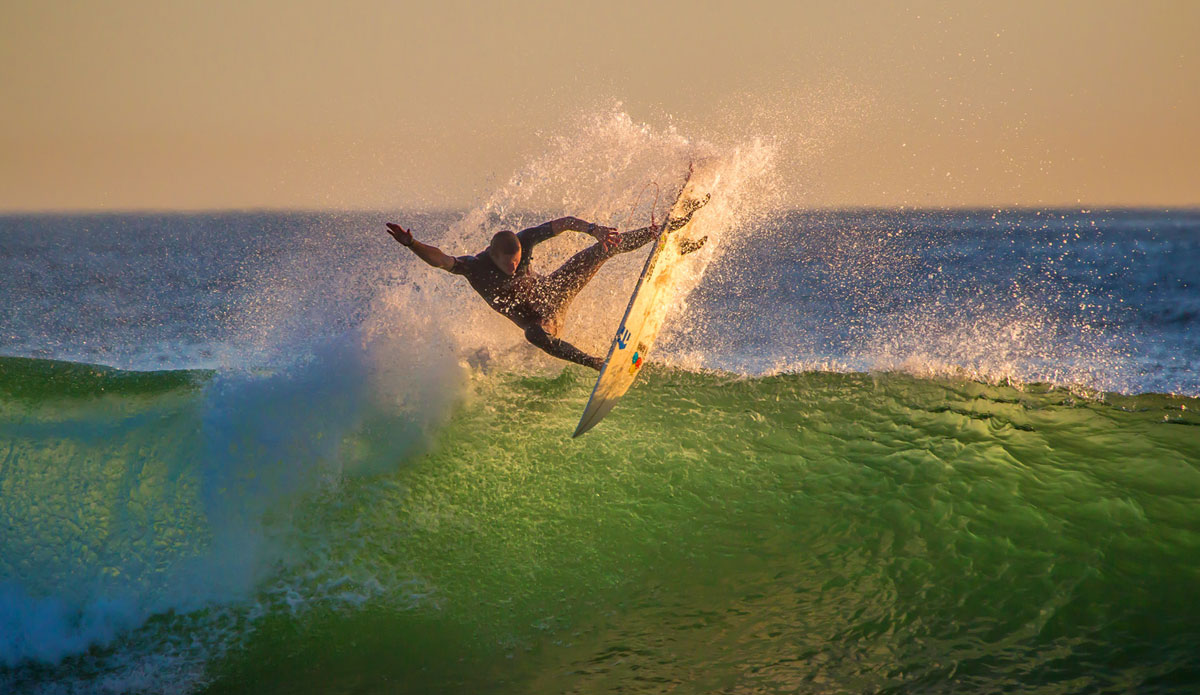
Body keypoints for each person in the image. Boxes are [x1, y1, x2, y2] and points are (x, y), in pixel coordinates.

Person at [384, 202, 707, 370]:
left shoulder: (525, 239)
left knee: (603, 248)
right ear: (493, 255)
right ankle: (595, 363)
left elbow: (564, 223)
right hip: (539, 320)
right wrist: (412, 243)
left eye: (518, 262)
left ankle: (664, 232)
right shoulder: (474, 267)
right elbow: (441, 260)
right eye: (508, 264)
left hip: (554, 291)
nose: (515, 267)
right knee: (534, 336)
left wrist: (594, 229)